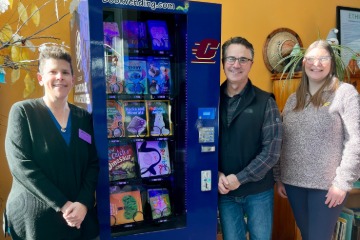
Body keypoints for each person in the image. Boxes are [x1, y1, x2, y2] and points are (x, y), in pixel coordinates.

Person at [4, 45, 100, 240]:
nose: (60, 77)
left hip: (80, 218)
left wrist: (83, 203)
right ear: (40, 78)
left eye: (65, 72)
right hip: (37, 222)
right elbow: (22, 166)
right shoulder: (23, 112)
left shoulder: (83, 117)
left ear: (73, 79)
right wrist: (64, 205)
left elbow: (92, 163)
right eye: (52, 72)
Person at [275, 40, 360, 240]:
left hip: (327, 185)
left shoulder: (345, 93)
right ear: (304, 63)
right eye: (311, 59)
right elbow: (284, 139)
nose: (317, 64)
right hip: (294, 183)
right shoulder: (293, 99)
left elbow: (355, 141)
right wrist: (279, 176)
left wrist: (342, 183)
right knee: (307, 236)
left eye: (323, 58)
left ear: (332, 62)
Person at [218, 36, 283, 240]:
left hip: (258, 193)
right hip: (225, 192)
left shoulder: (265, 101)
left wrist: (240, 178)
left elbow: (272, 152)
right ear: (223, 63)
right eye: (231, 59)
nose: (236, 65)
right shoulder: (210, 99)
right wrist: (216, 174)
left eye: (243, 60)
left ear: (251, 64)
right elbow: (199, 144)